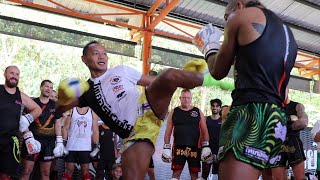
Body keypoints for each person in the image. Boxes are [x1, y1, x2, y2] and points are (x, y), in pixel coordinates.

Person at [56, 41, 214, 179]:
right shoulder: (85, 90)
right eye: (96, 53)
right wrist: (63, 96)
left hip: (148, 107)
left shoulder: (121, 70)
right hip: (136, 134)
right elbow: (59, 111)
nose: (102, 57)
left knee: (169, 75)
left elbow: (153, 81)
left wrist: (181, 78)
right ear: (84, 59)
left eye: (104, 53)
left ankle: (210, 75)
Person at [193, 0, 297, 179]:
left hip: (250, 112)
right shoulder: (287, 32)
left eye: (226, 17)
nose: (227, 22)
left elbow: (218, 71)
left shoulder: (239, 17)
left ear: (239, 5)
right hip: (277, 118)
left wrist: (208, 47)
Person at [0, 65, 42, 180]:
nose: (14, 76)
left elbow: (37, 109)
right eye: (11, 73)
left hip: (11, 141)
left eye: (17, 74)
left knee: (5, 175)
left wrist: (26, 119)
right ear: (5, 74)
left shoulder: (21, 95)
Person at [162, 89, 211, 180]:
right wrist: (166, 147)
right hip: (178, 147)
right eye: (184, 97)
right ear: (180, 98)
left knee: (194, 175)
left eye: (188, 98)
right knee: (175, 175)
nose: (186, 100)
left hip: (195, 147)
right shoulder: (174, 111)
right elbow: (168, 130)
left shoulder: (198, 112)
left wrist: (206, 146)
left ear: (191, 99)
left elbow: (204, 130)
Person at [20, 80, 63, 180]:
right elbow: (23, 122)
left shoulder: (56, 105)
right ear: (41, 87)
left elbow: (58, 124)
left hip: (48, 143)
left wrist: (59, 141)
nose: (49, 89)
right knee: (26, 171)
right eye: (46, 86)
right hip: (32, 140)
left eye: (51, 87)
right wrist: (28, 138)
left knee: (46, 173)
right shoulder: (32, 103)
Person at [61, 106, 99, 180]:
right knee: (68, 172)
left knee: (86, 173)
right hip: (71, 146)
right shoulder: (72, 109)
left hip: (86, 147)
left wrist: (96, 146)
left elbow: (95, 130)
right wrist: (63, 143)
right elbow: (65, 128)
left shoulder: (92, 112)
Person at [201, 99, 222, 179]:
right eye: (213, 106)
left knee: (220, 176)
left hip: (219, 152)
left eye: (217, 106)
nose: (215, 108)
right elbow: (201, 134)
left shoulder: (223, 120)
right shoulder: (206, 119)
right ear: (210, 107)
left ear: (220, 108)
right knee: (204, 175)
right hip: (207, 151)